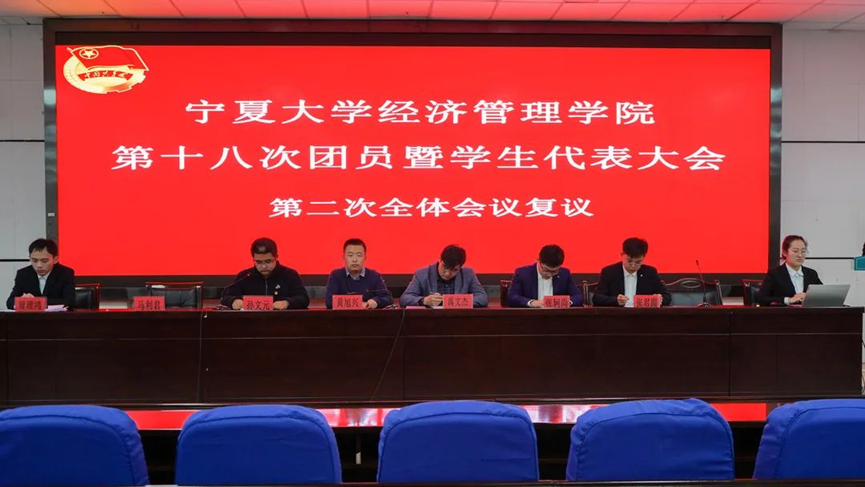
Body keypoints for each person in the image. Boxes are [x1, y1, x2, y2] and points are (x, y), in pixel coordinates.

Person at [220, 237, 309, 310]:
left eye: (268, 261)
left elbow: (303, 299)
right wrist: (233, 301)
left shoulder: (289, 275)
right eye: (258, 262)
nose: (263, 266)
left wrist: (287, 302)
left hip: (282, 322)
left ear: (276, 257)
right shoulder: (245, 276)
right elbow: (226, 296)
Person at [399, 244, 488, 308]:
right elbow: (404, 299)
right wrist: (424, 300)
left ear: (460, 267)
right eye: (445, 267)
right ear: (440, 260)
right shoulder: (422, 274)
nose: (447, 273)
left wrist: (456, 301)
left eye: (454, 270)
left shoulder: (468, 273)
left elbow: (483, 298)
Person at [593, 237, 671, 307]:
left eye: (638, 262)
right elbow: (597, 298)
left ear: (644, 257)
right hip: (617, 315)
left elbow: (667, 297)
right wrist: (615, 300)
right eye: (629, 261)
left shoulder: (650, 273)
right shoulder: (609, 272)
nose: (633, 265)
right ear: (622, 254)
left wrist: (660, 299)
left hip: (643, 315)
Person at [6, 238, 75, 309]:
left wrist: (35, 302)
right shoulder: (23, 274)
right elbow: (10, 302)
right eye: (34, 261)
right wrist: (21, 300)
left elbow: (70, 301)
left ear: (55, 259)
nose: (39, 265)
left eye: (44, 261)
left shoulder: (65, 273)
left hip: (56, 315)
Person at [325, 238, 393, 309]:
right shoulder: (336, 275)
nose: (355, 260)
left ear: (365, 258)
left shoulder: (374, 276)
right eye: (350, 255)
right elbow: (329, 301)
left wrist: (376, 301)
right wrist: (359, 304)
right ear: (343, 257)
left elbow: (387, 298)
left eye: (359, 255)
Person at [508, 244, 583, 307]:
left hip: (557, 317)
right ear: (538, 260)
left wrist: (562, 302)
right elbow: (512, 297)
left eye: (554, 271)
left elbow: (578, 297)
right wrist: (532, 303)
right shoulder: (522, 273)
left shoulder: (564, 274)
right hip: (530, 316)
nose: (549, 275)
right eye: (546, 270)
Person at [757, 235, 823, 306]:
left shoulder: (811, 274)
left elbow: (823, 295)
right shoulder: (774, 274)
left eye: (803, 251)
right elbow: (761, 298)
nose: (800, 255)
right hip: (784, 312)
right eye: (795, 251)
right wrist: (788, 300)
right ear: (785, 253)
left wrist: (808, 297)